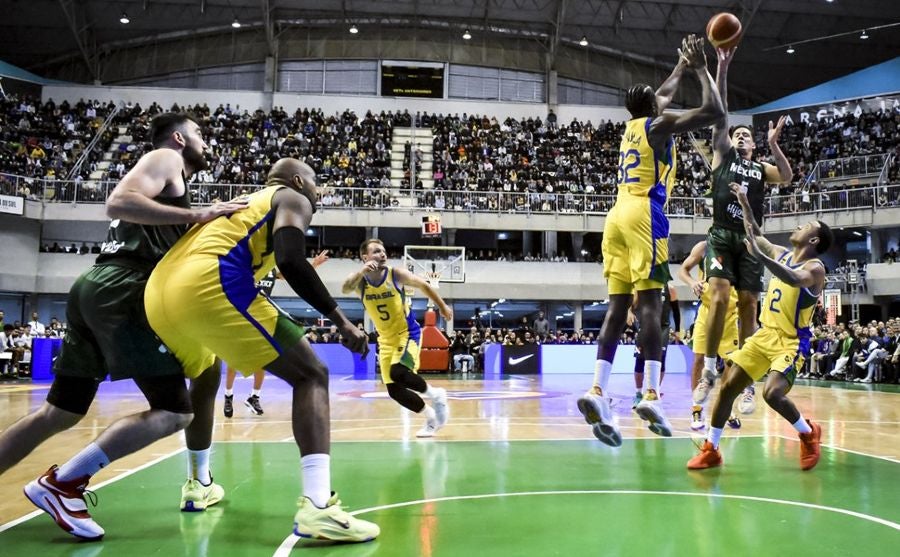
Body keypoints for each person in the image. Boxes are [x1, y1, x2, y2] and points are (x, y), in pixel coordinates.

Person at [13, 113, 247, 541]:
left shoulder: (171, 179)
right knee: (176, 411)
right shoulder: (165, 157)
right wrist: (199, 215)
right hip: (126, 290)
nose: (206, 142)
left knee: (58, 412)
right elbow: (118, 201)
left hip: (94, 286)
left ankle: (63, 483)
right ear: (179, 139)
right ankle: (63, 483)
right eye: (199, 134)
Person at [144, 158, 379, 542]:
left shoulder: (245, 202)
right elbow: (290, 257)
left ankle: (198, 483)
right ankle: (318, 507)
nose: (317, 195)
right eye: (317, 185)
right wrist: (341, 320)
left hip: (159, 293)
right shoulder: (292, 197)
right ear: (300, 180)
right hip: (210, 282)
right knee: (312, 373)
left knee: (206, 375)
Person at [577, 34, 725, 446]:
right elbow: (715, 110)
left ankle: (597, 390)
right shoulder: (660, 124)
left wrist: (679, 66)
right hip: (645, 212)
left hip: (616, 215)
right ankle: (652, 394)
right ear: (655, 108)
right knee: (651, 308)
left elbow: (662, 92)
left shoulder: (632, 126)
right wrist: (699, 68)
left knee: (616, 308)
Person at [687, 183, 832, 471]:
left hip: (791, 341)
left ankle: (807, 433)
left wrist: (760, 256)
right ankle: (712, 448)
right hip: (763, 335)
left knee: (772, 393)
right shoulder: (780, 252)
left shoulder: (816, 269)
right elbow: (754, 232)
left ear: (813, 240)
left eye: (806, 225)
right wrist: (743, 200)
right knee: (728, 388)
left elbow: (793, 278)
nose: (799, 225)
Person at [695, 45, 793, 409]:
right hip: (721, 233)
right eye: (736, 134)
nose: (739, 137)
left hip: (752, 240)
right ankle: (709, 368)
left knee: (749, 305)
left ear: (753, 144)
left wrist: (773, 145)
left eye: (745, 136)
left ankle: (746, 381)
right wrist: (722, 67)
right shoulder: (723, 155)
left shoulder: (760, 168)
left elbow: (786, 175)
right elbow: (720, 113)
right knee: (720, 296)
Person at [342, 238, 452, 438]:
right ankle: (431, 418)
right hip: (385, 340)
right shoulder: (360, 281)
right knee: (394, 390)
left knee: (398, 371)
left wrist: (443, 307)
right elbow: (345, 288)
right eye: (376, 251)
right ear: (364, 257)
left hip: (407, 334)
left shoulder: (396, 274)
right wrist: (362, 272)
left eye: (383, 251)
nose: (382, 254)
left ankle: (437, 395)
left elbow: (424, 285)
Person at [222, 251, 329, 418]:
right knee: (233, 364)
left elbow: (289, 275)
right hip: (240, 317)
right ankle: (228, 396)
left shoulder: (271, 270)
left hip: (261, 319)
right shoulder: (248, 267)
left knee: (262, 361)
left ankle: (254, 397)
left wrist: (313, 265)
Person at [677, 240, 744, 431]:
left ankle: (725, 406)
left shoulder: (741, 249)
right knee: (699, 359)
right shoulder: (704, 247)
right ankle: (697, 408)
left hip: (730, 316)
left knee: (730, 364)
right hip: (707, 311)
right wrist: (692, 282)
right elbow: (683, 270)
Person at [628, 284, 680, 410]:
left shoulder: (670, 288)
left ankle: (654, 391)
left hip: (662, 327)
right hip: (644, 326)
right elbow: (631, 302)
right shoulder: (642, 285)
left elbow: (676, 310)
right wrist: (628, 311)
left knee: (660, 360)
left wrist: (677, 330)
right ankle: (638, 393)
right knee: (639, 360)